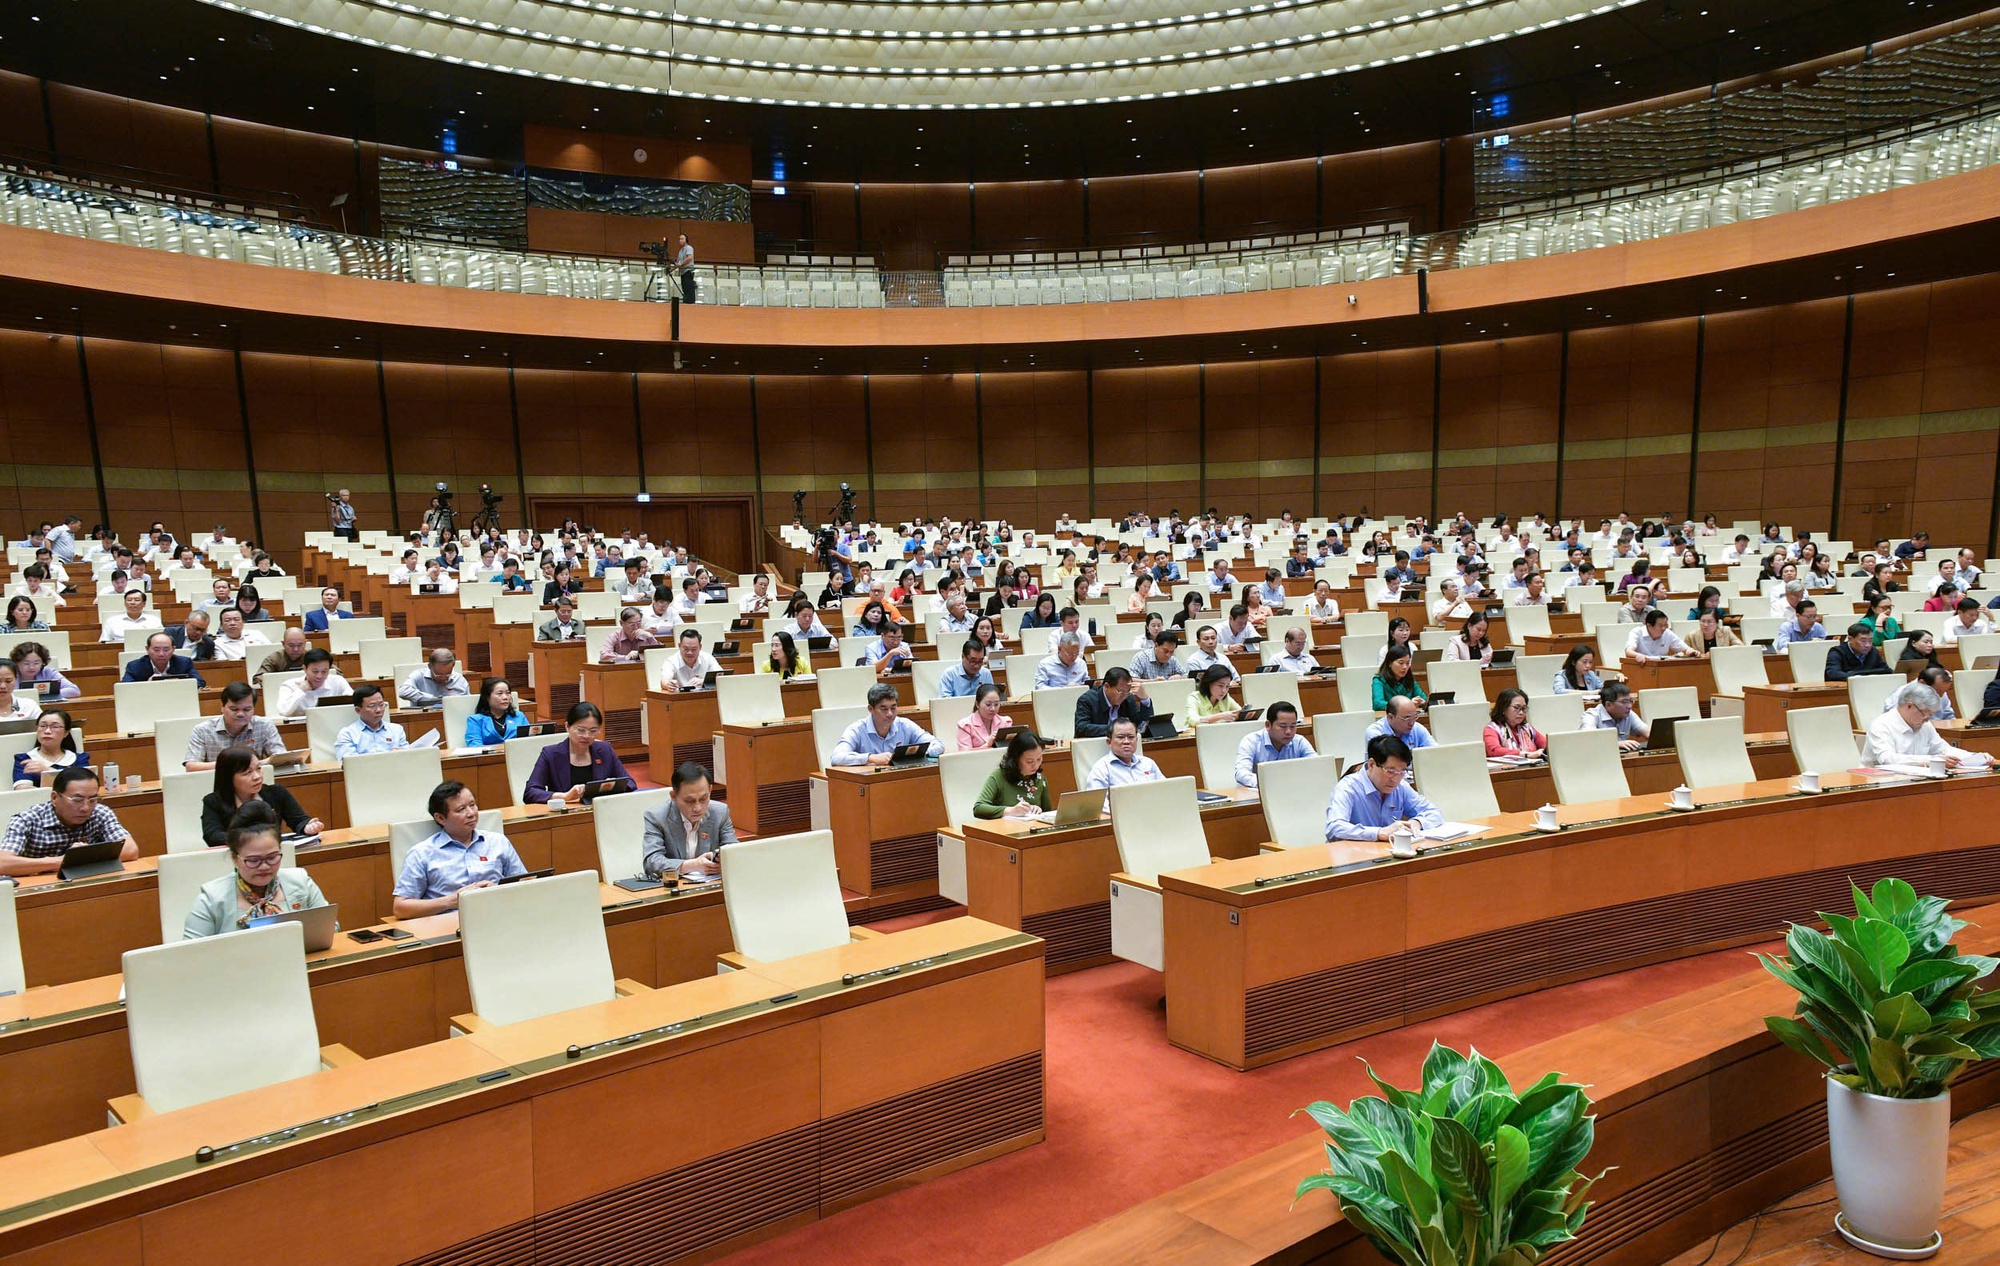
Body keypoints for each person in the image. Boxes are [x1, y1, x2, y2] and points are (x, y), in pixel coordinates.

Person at [182, 802, 330, 939]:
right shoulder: (212, 899)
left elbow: (329, 929)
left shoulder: (301, 881)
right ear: (235, 858)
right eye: (253, 861)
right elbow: (189, 954)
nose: (264, 866)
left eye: (272, 858)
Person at [392, 781, 527, 917]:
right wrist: (451, 901)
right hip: (448, 923)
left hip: (500, 916)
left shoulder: (498, 842)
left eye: (472, 805)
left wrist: (499, 890)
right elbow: (400, 908)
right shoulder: (422, 854)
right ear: (440, 818)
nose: (471, 813)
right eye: (461, 809)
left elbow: (526, 885)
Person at [0, 767, 134, 877]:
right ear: (54, 798)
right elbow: (3, 863)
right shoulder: (27, 820)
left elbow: (130, 850)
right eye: (77, 800)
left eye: (93, 800)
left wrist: (81, 856)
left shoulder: (100, 812)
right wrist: (62, 861)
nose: (85, 808)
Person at [1324, 734, 1443, 843]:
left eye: (1402, 772)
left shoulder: (1401, 787)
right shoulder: (1347, 788)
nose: (1396, 779)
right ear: (1371, 764)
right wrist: (1379, 833)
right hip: (1353, 858)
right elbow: (1334, 828)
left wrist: (1417, 822)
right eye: (1390, 771)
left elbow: (1434, 812)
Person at [199, 745, 322, 847]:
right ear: (228, 778)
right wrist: (253, 838)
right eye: (247, 773)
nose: (257, 776)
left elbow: (299, 820)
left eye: (258, 769)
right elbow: (212, 836)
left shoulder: (277, 792)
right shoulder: (213, 801)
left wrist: (308, 826)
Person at [1863, 683, 1990, 773]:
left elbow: (1943, 750)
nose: (1927, 719)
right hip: (1881, 782)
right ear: (1909, 706)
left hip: (1915, 780)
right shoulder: (1881, 725)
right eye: (1925, 713)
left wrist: (1975, 757)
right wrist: (1930, 760)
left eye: (1931, 715)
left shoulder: (1925, 725)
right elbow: (1887, 759)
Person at [640, 762, 735, 880]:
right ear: (674, 796)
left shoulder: (720, 812)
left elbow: (734, 851)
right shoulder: (657, 817)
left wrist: (722, 859)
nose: (698, 808)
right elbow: (651, 862)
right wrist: (693, 865)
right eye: (689, 801)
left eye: (703, 799)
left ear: (710, 790)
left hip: (710, 886)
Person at [524, 702, 632, 803]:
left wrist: (607, 788)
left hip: (601, 812)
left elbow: (630, 783)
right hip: (565, 815)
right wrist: (565, 796)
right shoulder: (550, 754)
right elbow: (530, 792)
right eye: (581, 730)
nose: (586, 736)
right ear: (567, 726)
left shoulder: (605, 750)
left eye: (593, 731)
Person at [183, 681, 286, 771]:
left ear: (253, 708)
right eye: (234, 709)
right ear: (222, 707)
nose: (240, 714)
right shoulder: (202, 730)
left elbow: (281, 757)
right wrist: (238, 765)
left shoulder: (265, 725)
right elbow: (191, 767)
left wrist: (253, 765)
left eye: (247, 709)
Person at [830, 684, 943, 766]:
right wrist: (870, 758)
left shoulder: (905, 725)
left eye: (893, 708)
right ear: (871, 709)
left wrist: (924, 753)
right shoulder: (856, 729)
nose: (890, 714)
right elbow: (836, 757)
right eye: (883, 709)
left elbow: (937, 744)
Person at [973, 730, 1053, 819]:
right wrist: (1010, 811)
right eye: (1029, 761)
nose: (1036, 765)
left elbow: (1048, 812)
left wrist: (1038, 810)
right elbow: (979, 808)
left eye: (1039, 759)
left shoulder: (1040, 779)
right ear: (1016, 759)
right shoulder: (999, 776)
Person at [1232, 702, 1312, 787]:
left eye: (1293, 726)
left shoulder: (1299, 741)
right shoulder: (1251, 741)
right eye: (1283, 726)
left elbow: (1317, 765)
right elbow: (1241, 773)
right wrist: (1268, 783)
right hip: (1259, 794)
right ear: (1268, 725)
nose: (1288, 732)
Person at [1084, 716, 1165, 789]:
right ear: (1109, 742)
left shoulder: (1148, 763)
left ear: (1136, 740)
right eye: (1121, 737)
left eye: (1131, 737)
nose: (1126, 741)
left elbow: (1165, 790)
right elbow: (1098, 803)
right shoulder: (1101, 769)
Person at [11, 709, 85, 788]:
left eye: (55, 727)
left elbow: (84, 787)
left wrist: (47, 771)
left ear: (66, 733)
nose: (47, 731)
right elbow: (22, 790)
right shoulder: (25, 759)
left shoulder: (79, 759)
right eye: (43, 726)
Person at [1075, 667, 1154, 739]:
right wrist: (1115, 729)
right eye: (1121, 692)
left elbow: (1141, 725)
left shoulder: (1128, 698)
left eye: (1127, 692)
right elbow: (1081, 728)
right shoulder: (1087, 700)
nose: (1124, 696)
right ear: (1106, 686)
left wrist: (1145, 699)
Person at [334, 684, 409, 759]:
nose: (378, 710)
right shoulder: (347, 734)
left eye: (381, 705)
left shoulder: (397, 730)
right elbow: (348, 763)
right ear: (358, 710)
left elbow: (409, 755)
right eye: (372, 706)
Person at [276, 648, 351, 718]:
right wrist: (300, 691)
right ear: (305, 669)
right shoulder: (289, 686)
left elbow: (353, 702)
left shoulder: (337, 681)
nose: (319, 676)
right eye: (315, 671)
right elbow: (283, 712)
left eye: (324, 671)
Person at [1580, 680, 1650, 750]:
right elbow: (1587, 739)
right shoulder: (1591, 715)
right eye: (1624, 702)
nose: (1629, 706)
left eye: (1630, 701)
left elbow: (1648, 733)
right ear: (1609, 704)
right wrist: (1616, 744)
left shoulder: (1628, 713)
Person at [123, 631, 204, 686]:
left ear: (173, 649)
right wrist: (147, 684)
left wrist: (177, 684)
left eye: (166, 650)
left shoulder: (184, 663)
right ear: (147, 649)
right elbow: (125, 687)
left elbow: (200, 682)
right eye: (156, 650)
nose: (161, 654)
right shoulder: (135, 666)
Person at [464, 678, 528, 747]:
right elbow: (474, 746)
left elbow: (529, 740)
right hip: (489, 757)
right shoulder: (475, 720)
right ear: (487, 697)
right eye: (499, 693)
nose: (505, 697)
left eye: (508, 693)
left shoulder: (519, 716)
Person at [1484, 688, 1546, 758]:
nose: (1521, 712)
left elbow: (1547, 746)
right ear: (1503, 708)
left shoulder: (1527, 728)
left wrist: (1542, 751)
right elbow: (1494, 751)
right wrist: (1525, 754)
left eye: (1524, 708)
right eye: (1516, 707)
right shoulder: (1492, 729)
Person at [398, 648, 469, 708]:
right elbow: (403, 691)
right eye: (439, 675)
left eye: (448, 674)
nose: (443, 678)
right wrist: (434, 699)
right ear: (430, 667)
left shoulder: (459, 679)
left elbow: (468, 702)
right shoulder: (418, 675)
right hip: (424, 717)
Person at [9, 642, 77, 702]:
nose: (31, 667)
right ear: (16, 662)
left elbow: (74, 690)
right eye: (26, 663)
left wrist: (47, 695)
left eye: (36, 663)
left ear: (43, 662)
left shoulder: (49, 672)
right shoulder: (9, 674)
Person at [1825, 623, 1891, 682]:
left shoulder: (1873, 651)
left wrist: (1856, 674)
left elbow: (1887, 670)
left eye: (1870, 641)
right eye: (1863, 641)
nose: (1868, 645)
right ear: (1850, 639)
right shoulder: (1837, 652)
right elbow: (1833, 673)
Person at [956, 683, 1013, 751]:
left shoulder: (1006, 722)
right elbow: (964, 756)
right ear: (977, 704)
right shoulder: (965, 725)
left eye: (996, 704)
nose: (993, 709)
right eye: (988, 704)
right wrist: (987, 745)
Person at [1365, 695, 1435, 749]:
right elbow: (1389, 763)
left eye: (1414, 717)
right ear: (1390, 717)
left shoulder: (1417, 728)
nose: (1412, 723)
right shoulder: (1375, 733)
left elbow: (1436, 751)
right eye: (1407, 718)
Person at [1373, 645, 1428, 711]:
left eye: (1407, 663)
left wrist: (1421, 702)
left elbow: (1423, 699)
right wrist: (1406, 705)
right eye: (1401, 663)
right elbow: (1378, 704)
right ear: (1390, 663)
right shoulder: (1379, 680)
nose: (1405, 667)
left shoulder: (1409, 679)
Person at [1625, 609, 1693, 661]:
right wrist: (1638, 655)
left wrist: (1691, 651)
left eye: (1665, 625)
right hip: (1642, 665)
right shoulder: (1636, 632)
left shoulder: (1667, 633)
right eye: (1660, 626)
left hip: (1661, 667)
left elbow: (1685, 649)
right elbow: (1629, 651)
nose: (1664, 628)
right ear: (1649, 625)